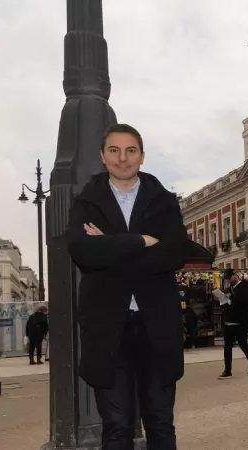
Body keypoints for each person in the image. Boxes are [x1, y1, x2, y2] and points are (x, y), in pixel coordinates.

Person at [66, 123, 187, 448]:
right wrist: (140, 241)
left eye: (130, 150)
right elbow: (83, 252)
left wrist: (110, 246)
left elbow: (174, 253)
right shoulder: (86, 202)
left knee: (160, 422)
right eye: (114, 150)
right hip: (108, 328)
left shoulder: (163, 201)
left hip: (157, 326)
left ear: (142, 156)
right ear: (103, 156)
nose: (123, 158)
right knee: (117, 426)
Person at [218, 269, 248, 379]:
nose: (229, 281)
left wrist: (230, 299)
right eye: (227, 280)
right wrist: (222, 300)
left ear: (235, 276)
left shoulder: (244, 286)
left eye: (230, 278)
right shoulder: (229, 288)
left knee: (243, 344)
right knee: (227, 346)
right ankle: (227, 370)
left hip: (240, 320)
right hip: (229, 320)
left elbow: (244, 301)